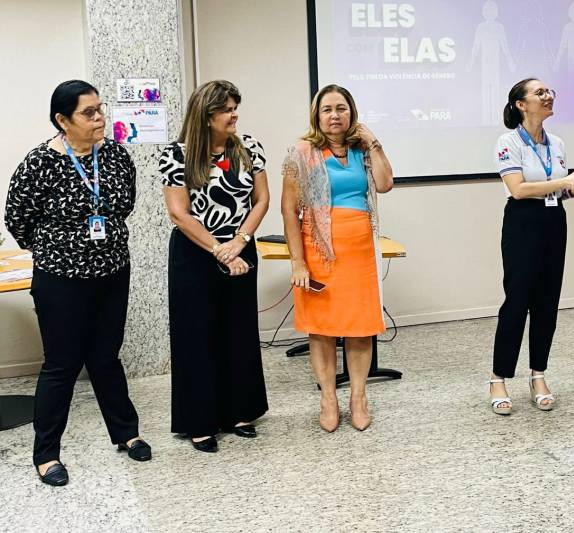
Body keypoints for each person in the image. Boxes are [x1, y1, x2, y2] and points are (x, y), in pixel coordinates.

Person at [4, 80, 150, 486]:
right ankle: (47, 454)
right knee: (62, 364)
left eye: (100, 109)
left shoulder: (115, 155)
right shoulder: (40, 163)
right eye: (89, 112)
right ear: (62, 120)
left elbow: (124, 205)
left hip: (112, 273)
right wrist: (58, 249)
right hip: (61, 280)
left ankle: (126, 433)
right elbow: (17, 219)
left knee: (106, 358)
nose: (100, 117)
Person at [160, 80, 269, 452]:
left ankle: (240, 412)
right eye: (226, 109)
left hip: (241, 246)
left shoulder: (249, 147)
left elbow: (261, 200)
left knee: (238, 331)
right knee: (197, 335)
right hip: (195, 252)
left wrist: (239, 242)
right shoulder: (177, 154)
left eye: (236, 108)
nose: (234, 115)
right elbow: (179, 213)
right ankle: (199, 421)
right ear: (206, 116)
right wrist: (220, 250)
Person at [281, 84, 393, 432]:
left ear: (351, 113)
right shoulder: (302, 152)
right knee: (322, 329)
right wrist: (298, 261)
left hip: (360, 249)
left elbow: (385, 184)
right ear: (317, 115)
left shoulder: (362, 150)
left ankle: (358, 397)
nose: (334, 115)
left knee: (361, 328)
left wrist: (373, 142)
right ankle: (328, 398)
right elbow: (289, 210)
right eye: (327, 109)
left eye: (341, 108)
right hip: (318, 251)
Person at [488, 77, 574, 415]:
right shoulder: (508, 141)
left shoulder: (557, 143)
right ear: (521, 105)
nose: (548, 96)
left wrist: (572, 189)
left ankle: (538, 375)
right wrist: (563, 181)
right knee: (517, 301)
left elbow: (556, 190)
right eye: (539, 93)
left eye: (549, 91)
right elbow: (518, 189)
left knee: (548, 302)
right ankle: (498, 378)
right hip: (522, 222)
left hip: (553, 220)